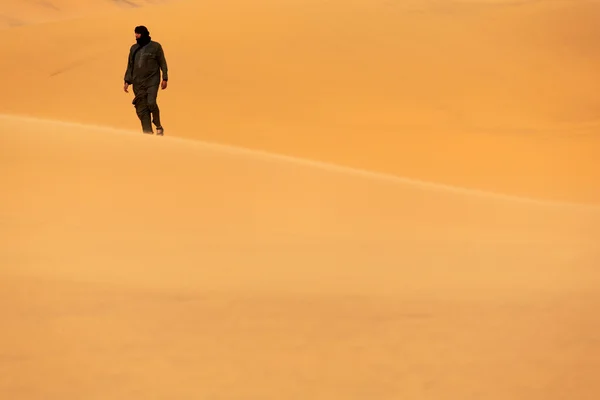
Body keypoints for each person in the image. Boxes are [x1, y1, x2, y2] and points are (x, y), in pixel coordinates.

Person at [123, 25, 168, 135]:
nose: (136, 35)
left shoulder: (155, 47)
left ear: (144, 34)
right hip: (138, 82)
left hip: (152, 80)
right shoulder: (133, 48)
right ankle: (148, 134)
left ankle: (158, 125)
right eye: (135, 33)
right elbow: (130, 65)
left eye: (138, 33)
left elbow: (162, 62)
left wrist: (165, 77)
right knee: (142, 109)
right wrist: (127, 80)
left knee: (151, 102)